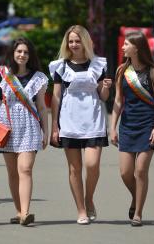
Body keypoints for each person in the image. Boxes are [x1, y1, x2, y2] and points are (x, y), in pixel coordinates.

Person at [49, 25, 112, 225]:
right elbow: (56, 97)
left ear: (85, 42)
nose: (74, 44)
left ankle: (89, 197)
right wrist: (54, 127)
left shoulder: (98, 64)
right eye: (71, 41)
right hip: (69, 120)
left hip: (93, 118)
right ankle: (81, 210)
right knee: (75, 168)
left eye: (77, 40)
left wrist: (106, 88)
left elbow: (103, 96)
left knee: (92, 165)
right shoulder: (60, 66)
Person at [0, 37, 49, 226]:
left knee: (25, 169)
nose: (22, 55)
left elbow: (42, 108)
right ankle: (19, 211)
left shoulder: (38, 77)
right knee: (13, 172)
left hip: (30, 126)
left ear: (30, 55)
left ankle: (26, 212)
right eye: (19, 51)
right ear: (12, 53)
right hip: (8, 127)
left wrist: (46, 131)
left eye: (26, 52)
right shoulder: (1, 74)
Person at [110, 31, 154, 226]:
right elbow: (117, 101)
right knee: (126, 172)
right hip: (127, 125)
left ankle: (138, 212)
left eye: (126, 44)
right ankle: (136, 197)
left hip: (148, 125)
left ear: (137, 47)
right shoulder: (121, 71)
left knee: (140, 171)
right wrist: (112, 127)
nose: (123, 47)